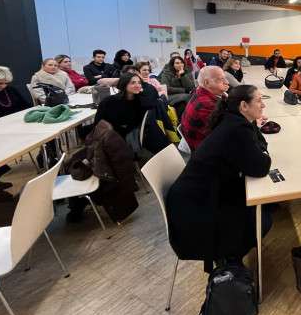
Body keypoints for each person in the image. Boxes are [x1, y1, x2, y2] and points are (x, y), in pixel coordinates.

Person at [166, 85, 272, 269]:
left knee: (259, 206)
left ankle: (230, 254)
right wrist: (263, 151)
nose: (263, 105)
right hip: (197, 206)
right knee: (263, 219)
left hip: (195, 195)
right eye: (258, 101)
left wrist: (253, 125)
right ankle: (230, 258)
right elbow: (261, 167)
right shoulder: (237, 129)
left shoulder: (231, 119)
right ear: (243, 106)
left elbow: (256, 149)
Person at [0, 65, 30, 186]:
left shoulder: (11, 90)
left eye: (5, 83)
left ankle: (46, 159)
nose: (3, 86)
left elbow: (26, 106)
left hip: (17, 125)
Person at [181, 66, 229, 151]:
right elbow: (226, 130)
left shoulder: (201, 91)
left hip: (203, 140)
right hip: (204, 149)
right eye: (221, 79)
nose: (227, 82)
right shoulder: (207, 105)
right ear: (207, 83)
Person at [94, 73, 149, 143]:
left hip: (129, 136)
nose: (138, 85)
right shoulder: (109, 101)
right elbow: (98, 122)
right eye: (133, 83)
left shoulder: (140, 100)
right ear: (124, 85)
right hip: (110, 137)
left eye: (139, 83)